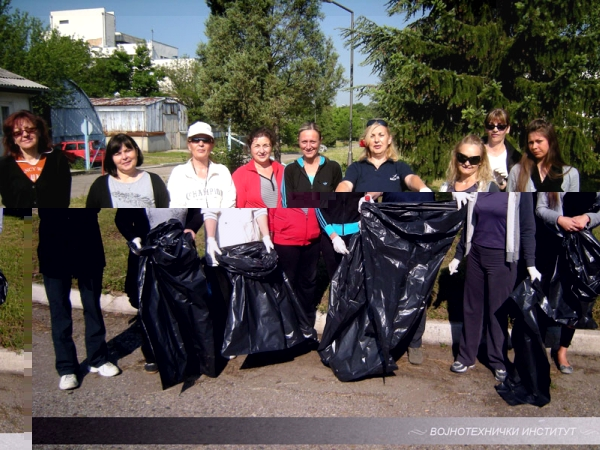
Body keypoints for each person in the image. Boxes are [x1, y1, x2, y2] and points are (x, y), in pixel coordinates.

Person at [447, 193, 541, 382]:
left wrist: (530, 264)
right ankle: (466, 356)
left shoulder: (519, 193)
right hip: (476, 255)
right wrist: (458, 256)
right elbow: (469, 224)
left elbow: (528, 229)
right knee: (472, 308)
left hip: (502, 259)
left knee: (497, 311)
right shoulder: (480, 187)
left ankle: (498, 360)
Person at [38, 209, 120, 390]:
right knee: (59, 309)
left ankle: (98, 358)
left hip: (86, 239)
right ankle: (67, 367)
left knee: (92, 304)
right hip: (54, 242)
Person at [114, 208, 203, 373]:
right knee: (150, 305)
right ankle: (153, 353)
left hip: (179, 251)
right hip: (148, 252)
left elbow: (198, 212)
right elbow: (122, 219)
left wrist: (191, 228)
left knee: (183, 301)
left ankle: (188, 350)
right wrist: (134, 238)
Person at [535, 192, 600, 374]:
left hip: (580, 245)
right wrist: (560, 219)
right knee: (544, 295)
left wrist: (588, 218)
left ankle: (562, 350)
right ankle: (537, 346)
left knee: (577, 299)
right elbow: (540, 208)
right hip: (550, 242)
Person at [335, 119, 432, 196]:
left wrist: (423, 188)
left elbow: (411, 179)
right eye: (372, 136)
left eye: (381, 135)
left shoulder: (399, 167)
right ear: (366, 141)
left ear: (389, 139)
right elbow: (346, 184)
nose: (377, 140)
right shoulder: (356, 167)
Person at [0, 110, 71, 207]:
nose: (25, 135)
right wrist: (28, 222)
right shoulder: (4, 165)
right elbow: (8, 201)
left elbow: (63, 198)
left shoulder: (57, 159)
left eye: (30, 130)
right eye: (18, 133)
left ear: (39, 132)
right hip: (23, 221)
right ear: (13, 139)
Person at [86, 134, 169, 207]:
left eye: (128, 151)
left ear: (136, 151)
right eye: (118, 154)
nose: (124, 157)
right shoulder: (100, 185)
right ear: (111, 158)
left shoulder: (154, 180)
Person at [167, 121, 236, 207]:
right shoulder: (179, 173)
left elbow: (229, 203)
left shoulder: (222, 172)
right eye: (196, 140)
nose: (201, 144)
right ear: (189, 145)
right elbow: (176, 206)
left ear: (211, 145)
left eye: (206, 140)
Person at [507, 119, 579, 192]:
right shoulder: (517, 171)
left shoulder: (570, 174)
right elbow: (508, 201)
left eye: (539, 141)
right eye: (531, 143)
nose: (534, 146)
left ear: (551, 141)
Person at [282, 122, 342, 206]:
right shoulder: (290, 169)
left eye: (313, 142)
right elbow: (287, 204)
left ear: (320, 141)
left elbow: (340, 201)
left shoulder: (333, 167)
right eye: (304, 142)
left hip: (326, 219)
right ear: (298, 141)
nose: (308, 146)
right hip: (299, 219)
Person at [232, 127, 284, 208]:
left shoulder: (282, 170)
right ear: (250, 148)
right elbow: (238, 209)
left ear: (271, 147)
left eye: (266, 145)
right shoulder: (240, 175)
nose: (262, 151)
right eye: (257, 146)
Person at [482, 108, 521, 191]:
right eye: (491, 126)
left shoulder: (516, 158)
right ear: (485, 128)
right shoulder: (473, 150)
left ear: (508, 129)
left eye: (500, 127)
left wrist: (504, 184)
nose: (495, 130)